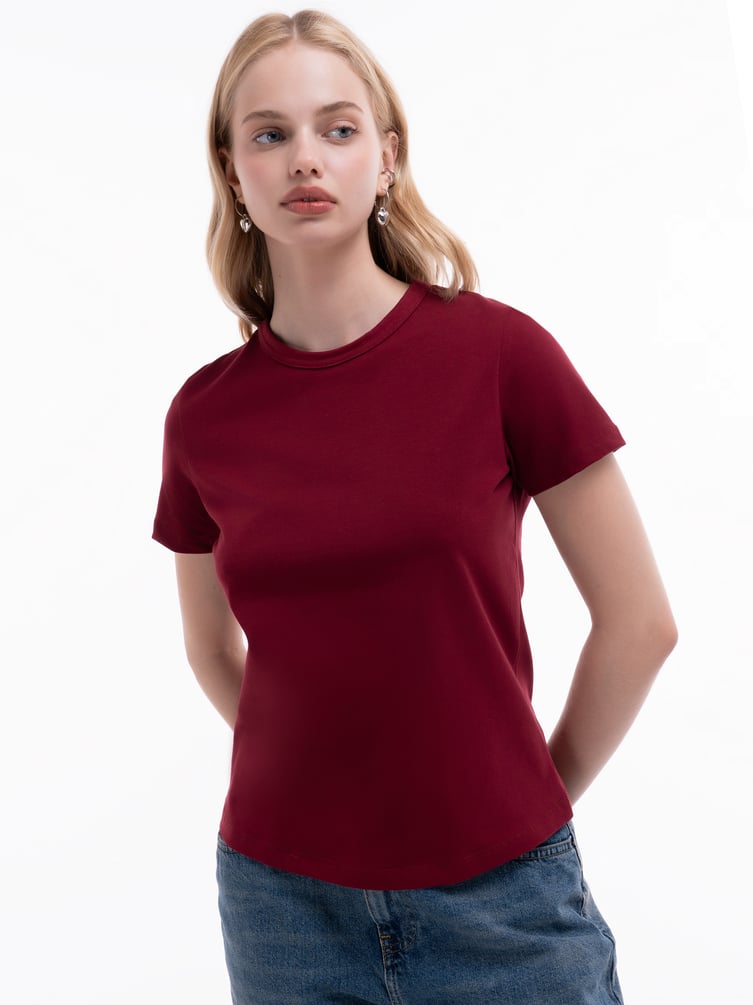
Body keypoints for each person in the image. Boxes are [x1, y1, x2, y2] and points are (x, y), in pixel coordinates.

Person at [152, 10, 677, 1004]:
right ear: (232, 171)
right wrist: (325, 775)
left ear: (386, 157)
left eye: (338, 128)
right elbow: (211, 649)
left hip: (505, 901)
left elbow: (641, 622)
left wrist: (524, 800)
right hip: (280, 909)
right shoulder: (204, 415)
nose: (305, 157)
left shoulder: (501, 356)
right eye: (270, 133)